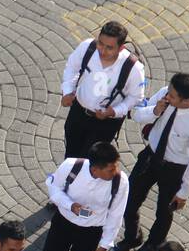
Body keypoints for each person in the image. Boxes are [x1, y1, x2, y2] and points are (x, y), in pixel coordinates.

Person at [108, 73, 189, 251]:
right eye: (169, 92)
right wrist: (155, 110)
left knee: (164, 212)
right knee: (129, 200)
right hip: (150, 156)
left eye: (173, 96)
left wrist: (184, 193)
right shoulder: (165, 94)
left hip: (174, 168)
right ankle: (132, 237)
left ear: (186, 99)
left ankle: (153, 244)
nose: (168, 96)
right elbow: (137, 114)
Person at [36, 142, 127, 251]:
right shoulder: (71, 166)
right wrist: (70, 205)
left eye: (116, 166)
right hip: (63, 223)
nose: (115, 172)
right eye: (111, 169)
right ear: (95, 169)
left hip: (91, 232)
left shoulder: (120, 181)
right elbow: (54, 187)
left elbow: (116, 214)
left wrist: (104, 245)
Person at [59, 22, 146, 159]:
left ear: (121, 47)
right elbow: (72, 67)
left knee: (90, 161)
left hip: (106, 124)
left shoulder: (133, 68)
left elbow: (136, 97)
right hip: (78, 112)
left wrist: (114, 111)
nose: (102, 51)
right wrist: (68, 91)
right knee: (71, 154)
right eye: (100, 44)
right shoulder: (87, 47)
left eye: (109, 48)